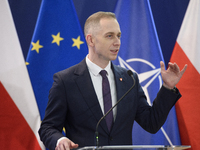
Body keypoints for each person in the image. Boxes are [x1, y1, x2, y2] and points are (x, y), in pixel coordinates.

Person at [38, 11, 187, 150]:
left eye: (118, 35)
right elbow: (48, 128)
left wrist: (167, 87)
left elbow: (151, 123)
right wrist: (59, 140)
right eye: (109, 36)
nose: (117, 42)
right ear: (91, 40)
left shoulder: (130, 79)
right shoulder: (66, 81)